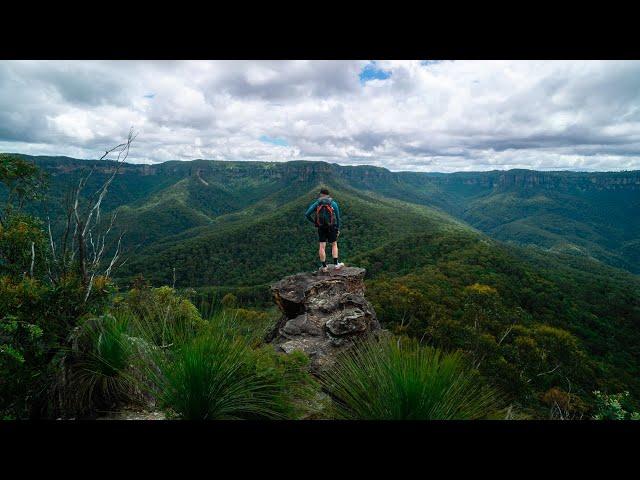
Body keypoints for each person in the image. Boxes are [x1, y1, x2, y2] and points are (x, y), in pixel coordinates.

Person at [305, 188, 344, 273]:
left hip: (321, 227)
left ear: (321, 194)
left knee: (322, 246)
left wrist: (315, 222)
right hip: (331, 227)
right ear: (328, 195)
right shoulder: (333, 203)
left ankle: (324, 267)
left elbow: (307, 214)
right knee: (334, 244)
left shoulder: (317, 204)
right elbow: (338, 218)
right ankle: (336, 264)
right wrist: (338, 228)